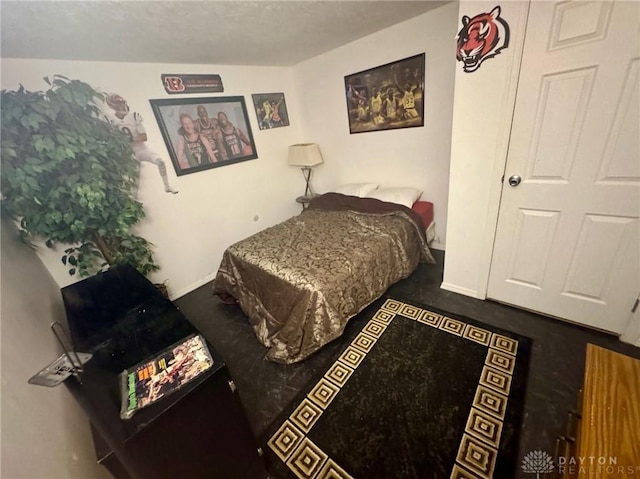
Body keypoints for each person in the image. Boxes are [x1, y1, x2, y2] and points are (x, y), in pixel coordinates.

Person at [104, 94, 178, 194]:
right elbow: (110, 139)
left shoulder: (134, 116)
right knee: (135, 181)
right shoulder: (109, 119)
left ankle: (167, 186)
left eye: (122, 102)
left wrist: (125, 139)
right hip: (128, 153)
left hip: (142, 149)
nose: (122, 106)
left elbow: (143, 137)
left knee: (160, 161)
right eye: (119, 103)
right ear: (113, 106)